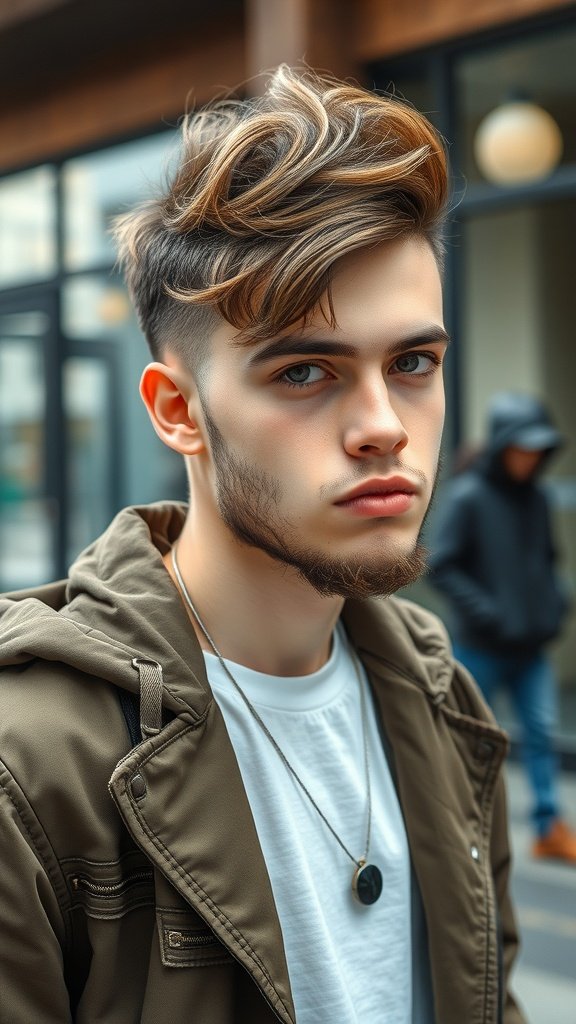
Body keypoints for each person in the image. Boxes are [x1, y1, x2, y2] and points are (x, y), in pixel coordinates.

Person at [0, 67, 525, 1024]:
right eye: (305, 373)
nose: (384, 427)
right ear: (177, 411)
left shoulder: (442, 698)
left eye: (413, 362)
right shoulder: (31, 764)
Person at [429, 390, 576, 865]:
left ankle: (548, 828)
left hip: (531, 648)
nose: (530, 458)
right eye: (522, 447)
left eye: (538, 449)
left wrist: (554, 602)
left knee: (541, 733)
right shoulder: (469, 497)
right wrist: (488, 612)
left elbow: (547, 559)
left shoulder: (536, 499)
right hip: (481, 649)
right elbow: (441, 566)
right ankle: (461, 830)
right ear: (502, 445)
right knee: (469, 738)